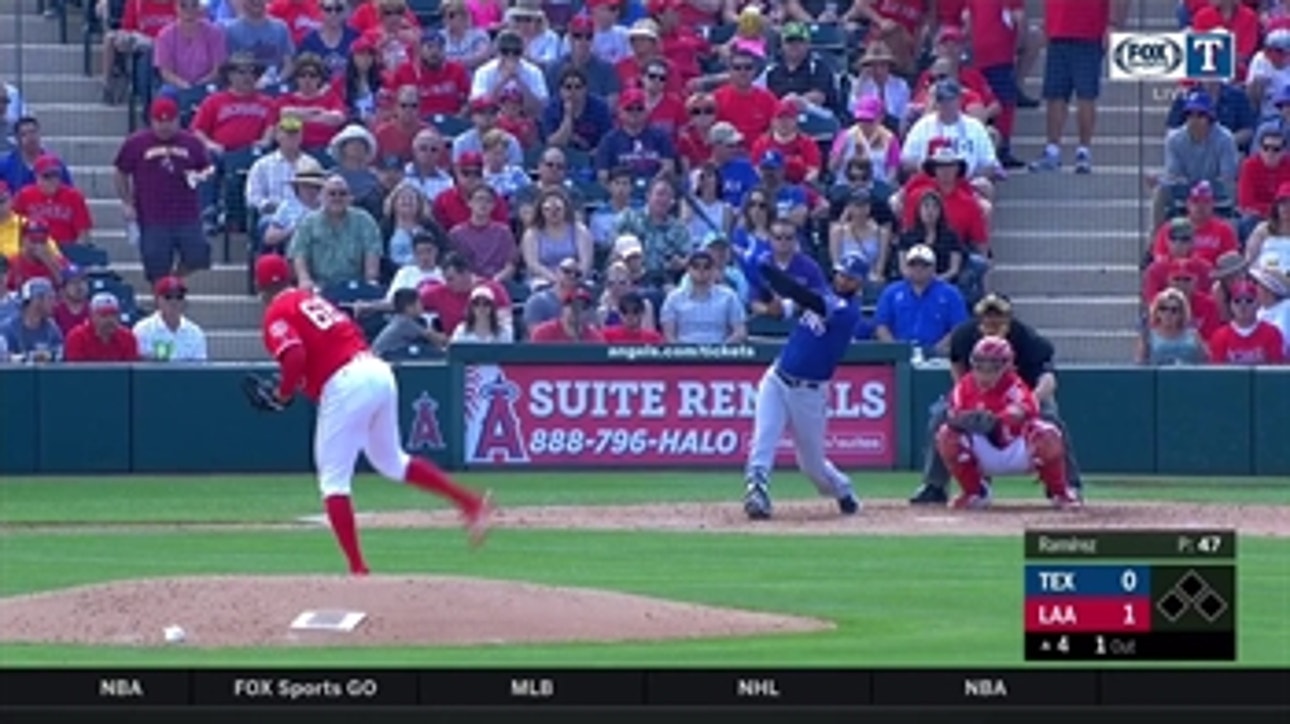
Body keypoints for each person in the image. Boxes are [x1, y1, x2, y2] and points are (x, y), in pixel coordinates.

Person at [252, 253, 493, 575]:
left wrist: (283, 393)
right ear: (289, 279)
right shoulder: (312, 299)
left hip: (344, 382)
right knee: (391, 461)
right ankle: (470, 503)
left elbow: (294, 355)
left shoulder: (276, 312)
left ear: (260, 287)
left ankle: (358, 568)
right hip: (376, 370)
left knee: (334, 481)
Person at [910, 293, 1084, 505]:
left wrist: (1026, 405)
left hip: (1025, 393)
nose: (992, 321)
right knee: (941, 417)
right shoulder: (964, 335)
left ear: (1009, 317)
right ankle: (936, 485)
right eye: (987, 315)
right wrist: (969, 402)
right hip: (978, 395)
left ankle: (1065, 485)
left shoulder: (1027, 339)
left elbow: (1048, 378)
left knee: (1051, 422)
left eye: (998, 315)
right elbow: (958, 368)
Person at [741, 253, 870, 521]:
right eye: (840, 273)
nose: (842, 279)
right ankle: (757, 492)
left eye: (849, 277)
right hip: (777, 378)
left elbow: (801, 295)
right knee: (764, 438)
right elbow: (780, 309)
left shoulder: (848, 311)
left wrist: (768, 271)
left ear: (859, 284)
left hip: (809, 393)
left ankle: (843, 489)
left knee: (811, 465)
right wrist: (765, 288)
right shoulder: (823, 293)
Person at [935, 336, 1082, 509]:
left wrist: (1000, 419)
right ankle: (974, 492)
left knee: (1048, 433)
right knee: (946, 434)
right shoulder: (964, 386)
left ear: (1007, 367)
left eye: (993, 367)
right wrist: (967, 420)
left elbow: (1028, 408)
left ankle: (1060, 492)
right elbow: (954, 414)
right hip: (982, 449)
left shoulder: (1015, 386)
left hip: (1015, 446)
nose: (986, 373)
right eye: (981, 365)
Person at [64, 293, 142, 363]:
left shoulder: (127, 337)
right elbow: (76, 374)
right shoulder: (77, 337)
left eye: (114, 315)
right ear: (92, 316)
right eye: (104, 315)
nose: (110, 320)